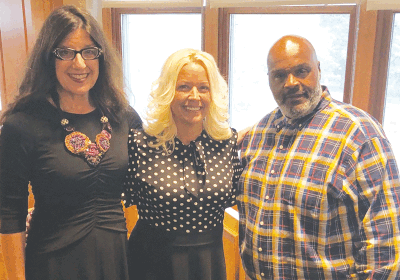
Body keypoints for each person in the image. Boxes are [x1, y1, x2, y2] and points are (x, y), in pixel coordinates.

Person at [238, 35, 400, 279]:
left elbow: (385, 249)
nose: (291, 83)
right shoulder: (260, 133)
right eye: (279, 75)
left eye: (302, 71)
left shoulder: (359, 135)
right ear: (269, 80)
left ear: (319, 70)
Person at [0, 5, 141, 280]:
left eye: (89, 51)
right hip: (53, 264)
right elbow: (9, 211)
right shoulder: (22, 125)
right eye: (65, 52)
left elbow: (154, 170)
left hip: (116, 261)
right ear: (48, 58)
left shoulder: (123, 118)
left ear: (100, 56)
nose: (79, 64)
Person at [122, 48, 243, 280]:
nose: (195, 96)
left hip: (209, 262)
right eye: (184, 87)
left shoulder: (227, 143)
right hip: (151, 262)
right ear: (168, 91)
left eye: (203, 88)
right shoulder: (139, 143)